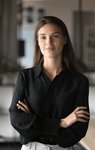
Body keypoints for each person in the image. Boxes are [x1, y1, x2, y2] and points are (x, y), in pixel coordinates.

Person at [9, 16, 90, 150]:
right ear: (37, 41)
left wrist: (33, 120)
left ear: (65, 39)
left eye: (55, 36)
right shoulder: (25, 77)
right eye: (43, 37)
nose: (49, 42)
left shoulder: (79, 82)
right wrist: (61, 123)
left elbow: (78, 130)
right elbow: (17, 120)